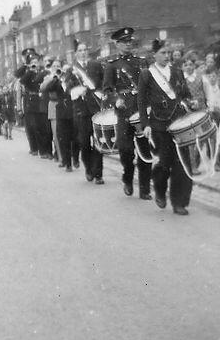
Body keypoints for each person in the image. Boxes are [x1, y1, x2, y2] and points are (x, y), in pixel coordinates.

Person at [138, 39, 193, 215]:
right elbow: (141, 101)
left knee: (182, 163)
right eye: (163, 53)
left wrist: (191, 102)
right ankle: (160, 190)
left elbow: (185, 94)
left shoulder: (177, 72)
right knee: (164, 163)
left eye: (168, 53)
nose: (166, 56)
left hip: (179, 124)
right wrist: (145, 124)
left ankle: (179, 202)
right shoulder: (147, 74)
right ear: (154, 55)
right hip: (158, 125)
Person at [103, 27, 151, 198]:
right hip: (124, 112)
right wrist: (116, 99)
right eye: (124, 42)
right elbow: (107, 90)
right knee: (126, 150)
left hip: (141, 110)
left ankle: (144, 189)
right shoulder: (112, 65)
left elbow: (150, 84)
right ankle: (128, 179)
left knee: (145, 150)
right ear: (117, 44)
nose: (128, 44)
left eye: (130, 41)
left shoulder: (141, 62)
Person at [65, 42, 105, 184]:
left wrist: (101, 95)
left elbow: (102, 83)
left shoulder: (96, 65)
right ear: (76, 53)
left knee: (98, 141)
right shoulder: (72, 70)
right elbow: (68, 90)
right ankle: (89, 168)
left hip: (95, 108)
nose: (83, 52)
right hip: (81, 110)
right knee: (84, 142)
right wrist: (77, 91)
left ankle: (99, 174)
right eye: (80, 50)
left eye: (85, 50)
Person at [15, 50, 46, 157]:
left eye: (36, 61)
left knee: (41, 126)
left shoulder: (41, 71)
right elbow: (20, 79)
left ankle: (43, 150)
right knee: (31, 126)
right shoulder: (27, 71)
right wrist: (28, 68)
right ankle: (34, 148)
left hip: (40, 100)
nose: (35, 64)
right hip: (29, 101)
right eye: (32, 61)